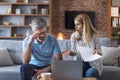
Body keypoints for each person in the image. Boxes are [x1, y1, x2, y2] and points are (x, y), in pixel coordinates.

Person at [63, 13, 103, 79]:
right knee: (71, 72)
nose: (75, 27)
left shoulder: (95, 36)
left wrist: (97, 52)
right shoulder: (74, 36)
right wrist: (70, 52)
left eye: (78, 24)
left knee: (91, 72)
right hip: (79, 64)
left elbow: (100, 53)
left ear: (85, 24)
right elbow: (74, 53)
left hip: (92, 65)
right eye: (75, 25)